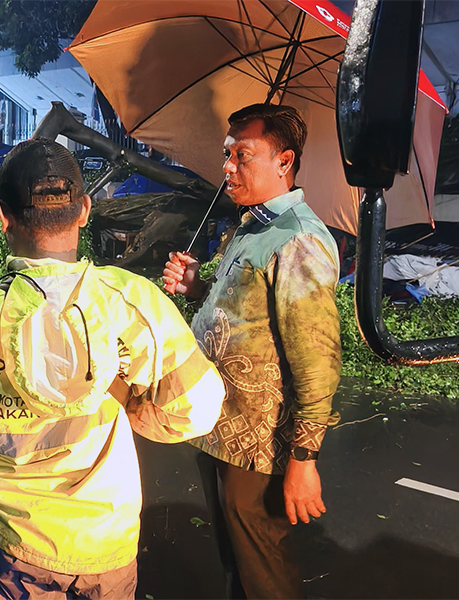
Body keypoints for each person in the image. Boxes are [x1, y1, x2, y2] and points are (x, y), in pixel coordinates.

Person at [0, 138, 226, 599]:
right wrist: (130, 402)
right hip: (106, 542)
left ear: (1, 216)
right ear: (85, 210)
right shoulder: (132, 303)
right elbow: (199, 411)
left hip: (12, 544)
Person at [163, 104, 341, 599]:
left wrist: (304, 459)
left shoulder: (299, 240)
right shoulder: (251, 228)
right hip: (219, 427)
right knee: (236, 563)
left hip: (258, 446)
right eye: (227, 154)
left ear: (284, 162)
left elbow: (318, 360)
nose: (228, 166)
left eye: (242, 155)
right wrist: (196, 287)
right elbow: (244, 313)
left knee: (264, 572)